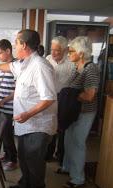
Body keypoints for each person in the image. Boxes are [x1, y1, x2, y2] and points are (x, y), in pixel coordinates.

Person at [0, 29, 57, 188]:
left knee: (34, 160)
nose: (14, 46)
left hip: (38, 124)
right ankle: (25, 184)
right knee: (24, 158)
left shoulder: (40, 66)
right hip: (26, 123)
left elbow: (49, 98)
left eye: (16, 43)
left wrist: (27, 114)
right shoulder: (24, 63)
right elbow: (9, 67)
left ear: (24, 45)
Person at [61, 36, 99, 188]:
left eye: (71, 51)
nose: (68, 53)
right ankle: (67, 168)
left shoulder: (91, 69)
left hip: (84, 112)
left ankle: (78, 178)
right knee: (68, 139)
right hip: (73, 111)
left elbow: (90, 95)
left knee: (78, 143)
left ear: (81, 53)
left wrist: (70, 96)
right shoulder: (76, 67)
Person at [45, 36, 74, 166]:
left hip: (64, 99)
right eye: (52, 49)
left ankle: (61, 157)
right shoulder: (47, 59)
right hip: (50, 98)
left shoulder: (71, 63)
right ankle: (48, 154)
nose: (53, 53)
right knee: (50, 126)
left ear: (65, 50)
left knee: (62, 129)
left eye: (57, 50)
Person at [0, 39, 17, 171]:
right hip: (2, 106)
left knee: (7, 134)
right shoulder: (4, 67)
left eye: (0, 53)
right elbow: (4, 88)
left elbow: (16, 92)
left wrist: (1, 102)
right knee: (4, 134)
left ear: (8, 51)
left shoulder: (16, 67)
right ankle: (7, 155)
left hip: (10, 107)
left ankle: (13, 160)